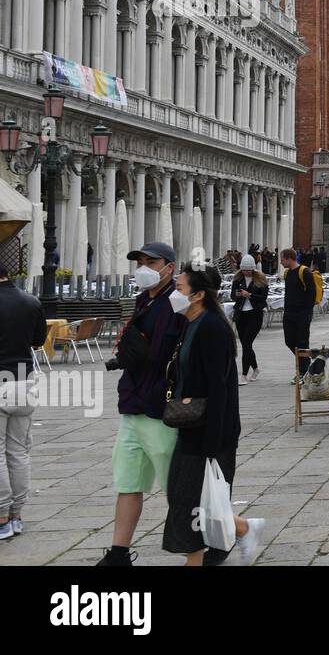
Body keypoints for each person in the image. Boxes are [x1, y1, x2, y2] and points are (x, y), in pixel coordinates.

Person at [161, 263, 265, 565]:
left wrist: (212, 443)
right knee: (186, 499)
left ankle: (205, 552)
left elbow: (221, 391)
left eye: (179, 288)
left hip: (210, 432)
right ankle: (244, 528)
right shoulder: (190, 324)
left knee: (193, 507)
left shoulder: (213, 328)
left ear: (197, 295)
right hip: (190, 427)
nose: (174, 293)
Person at [99, 242, 183, 566]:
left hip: (160, 408)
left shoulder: (178, 302)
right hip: (133, 403)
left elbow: (173, 354)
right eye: (141, 262)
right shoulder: (143, 301)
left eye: (152, 262)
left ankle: (223, 534)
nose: (144, 268)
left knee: (178, 487)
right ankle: (118, 554)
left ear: (170, 267)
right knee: (128, 480)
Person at [0, 262, 46, 541]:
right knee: (18, 451)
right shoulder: (31, 302)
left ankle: (2, 515)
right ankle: (16, 514)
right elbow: (39, 340)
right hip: (24, 382)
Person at [281, 248, 318, 383]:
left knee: (302, 342)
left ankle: (303, 371)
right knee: (289, 341)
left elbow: (312, 294)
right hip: (289, 313)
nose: (280, 262)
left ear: (290, 259)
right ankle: (306, 364)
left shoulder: (305, 272)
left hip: (302, 314)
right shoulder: (287, 273)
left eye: (282, 259)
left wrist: (307, 311)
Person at [230, 254, 268, 385]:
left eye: (249, 270)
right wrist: (238, 294)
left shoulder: (261, 280)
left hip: (255, 314)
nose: (246, 272)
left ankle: (244, 374)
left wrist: (249, 295)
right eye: (244, 270)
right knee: (246, 344)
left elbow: (263, 297)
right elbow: (232, 296)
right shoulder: (237, 279)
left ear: (253, 269)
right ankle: (256, 369)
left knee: (247, 344)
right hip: (241, 313)